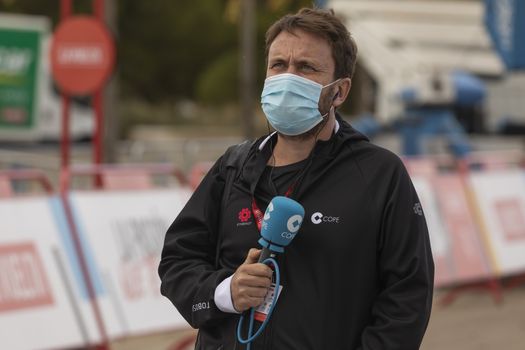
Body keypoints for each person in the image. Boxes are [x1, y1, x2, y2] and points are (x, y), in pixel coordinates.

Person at [159, 7, 434, 350]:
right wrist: (224, 292)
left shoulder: (380, 175)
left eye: (306, 67)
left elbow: (408, 296)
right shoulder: (233, 167)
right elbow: (176, 262)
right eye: (278, 65)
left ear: (340, 91)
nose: (288, 78)